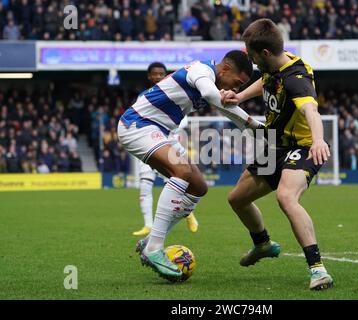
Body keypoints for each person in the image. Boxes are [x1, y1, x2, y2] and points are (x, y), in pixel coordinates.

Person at [117, 50, 263, 281]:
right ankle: (154, 248)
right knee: (182, 172)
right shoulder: (202, 71)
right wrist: (253, 123)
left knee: (198, 187)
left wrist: (256, 131)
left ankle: (154, 236)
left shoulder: (212, 78)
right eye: (237, 83)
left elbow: (226, 109)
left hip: (158, 131)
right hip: (138, 125)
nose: (236, 89)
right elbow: (211, 95)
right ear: (224, 68)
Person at [221, 19, 334, 290]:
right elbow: (266, 80)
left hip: (303, 147)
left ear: (266, 53)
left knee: (286, 197)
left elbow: (310, 111)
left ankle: (318, 270)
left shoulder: (296, 79)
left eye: (252, 55)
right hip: (276, 146)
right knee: (237, 199)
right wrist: (240, 97)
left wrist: (318, 140)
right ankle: (262, 244)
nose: (250, 60)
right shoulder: (275, 66)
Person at [132, 62, 199, 237]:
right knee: (145, 184)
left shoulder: (173, 93)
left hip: (168, 142)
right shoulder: (143, 96)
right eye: (155, 74)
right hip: (148, 142)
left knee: (174, 180)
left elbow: (182, 119)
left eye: (161, 74)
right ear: (149, 76)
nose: (158, 77)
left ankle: (188, 213)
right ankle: (148, 225)